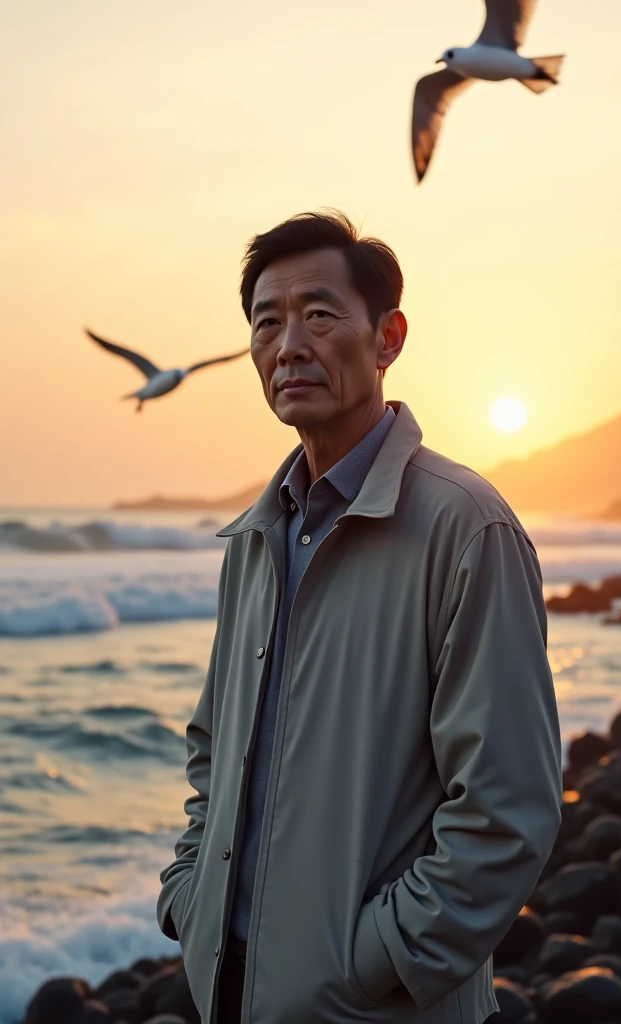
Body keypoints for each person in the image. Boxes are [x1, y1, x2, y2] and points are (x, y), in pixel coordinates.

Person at [156, 210, 562, 1024]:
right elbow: (215, 748)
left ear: (388, 337)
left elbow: (507, 803)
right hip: (234, 993)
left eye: (318, 313)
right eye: (266, 323)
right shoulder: (256, 538)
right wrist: (191, 894)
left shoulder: (464, 527)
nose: (288, 344)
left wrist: (376, 959)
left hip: (371, 1005)